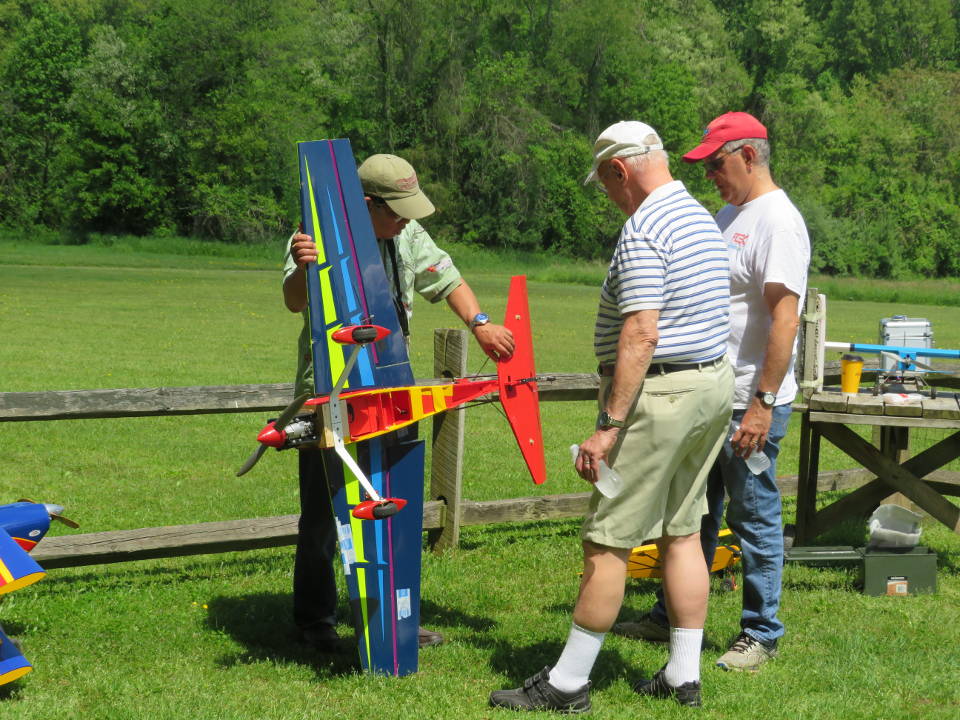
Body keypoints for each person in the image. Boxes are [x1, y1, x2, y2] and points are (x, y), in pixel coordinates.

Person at [489, 121, 732, 712]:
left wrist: (609, 427)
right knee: (681, 532)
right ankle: (683, 675)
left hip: (662, 396)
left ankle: (567, 683)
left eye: (604, 183)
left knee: (606, 540)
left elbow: (642, 330)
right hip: (711, 386)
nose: (607, 195)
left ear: (619, 170)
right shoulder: (700, 215)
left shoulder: (645, 227)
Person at [282, 153, 514, 651]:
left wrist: (482, 323)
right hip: (331, 393)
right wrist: (304, 265)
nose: (407, 218)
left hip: (392, 391)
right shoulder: (316, 230)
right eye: (397, 210)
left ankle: (394, 618)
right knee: (325, 515)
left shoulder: (408, 236)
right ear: (366, 205)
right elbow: (294, 300)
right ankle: (315, 621)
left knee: (395, 508)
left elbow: (448, 279)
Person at [614, 111, 810, 672]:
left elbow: (785, 320)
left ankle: (761, 632)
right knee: (691, 515)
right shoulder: (728, 214)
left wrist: (762, 403)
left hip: (751, 400)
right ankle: (670, 615)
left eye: (717, 164)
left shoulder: (778, 220)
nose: (710, 177)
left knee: (753, 515)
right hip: (711, 394)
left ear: (749, 156)